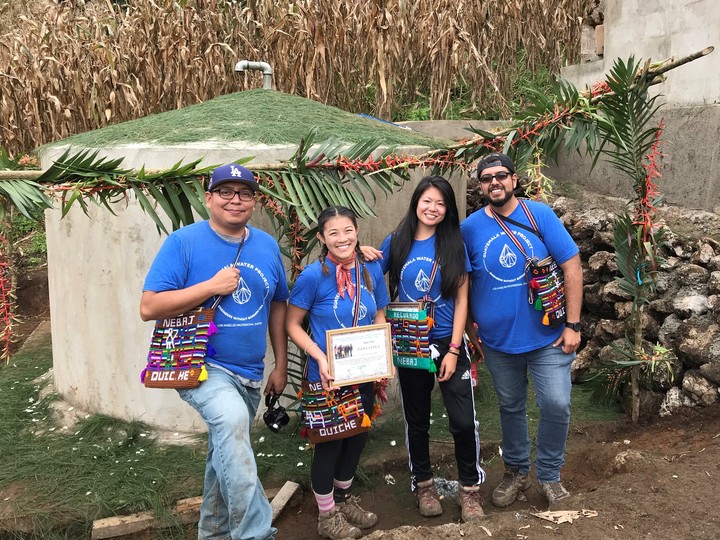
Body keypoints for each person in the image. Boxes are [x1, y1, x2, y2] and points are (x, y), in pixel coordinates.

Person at [140, 163, 289, 540]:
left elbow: (277, 306)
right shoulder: (183, 242)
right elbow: (149, 307)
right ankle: (257, 534)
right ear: (208, 198)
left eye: (244, 193)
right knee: (232, 421)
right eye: (225, 192)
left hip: (251, 371)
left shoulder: (267, 246)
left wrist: (281, 364)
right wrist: (211, 286)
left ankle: (213, 532)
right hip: (199, 365)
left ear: (255, 202)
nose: (235, 200)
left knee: (224, 449)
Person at [461, 153, 583, 510]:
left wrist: (573, 324)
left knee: (556, 404)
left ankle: (549, 475)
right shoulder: (469, 228)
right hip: (498, 343)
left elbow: (571, 265)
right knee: (510, 406)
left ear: (514, 180)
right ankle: (516, 471)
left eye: (501, 175)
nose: (494, 182)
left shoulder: (538, 215)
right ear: (481, 185)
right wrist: (470, 333)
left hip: (549, 337)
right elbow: (462, 284)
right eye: (486, 178)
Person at [378, 175, 486, 521]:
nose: (433, 208)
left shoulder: (454, 245)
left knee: (462, 420)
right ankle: (424, 484)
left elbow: (462, 299)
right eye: (427, 201)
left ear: (448, 209)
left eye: (441, 203)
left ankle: (470, 490)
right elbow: (368, 278)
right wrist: (361, 252)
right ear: (416, 203)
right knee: (417, 419)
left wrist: (455, 350)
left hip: (446, 341)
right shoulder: (395, 243)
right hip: (410, 341)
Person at [286, 206, 390, 540]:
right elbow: (292, 324)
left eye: (347, 230)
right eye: (333, 233)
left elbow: (379, 314)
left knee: (358, 436)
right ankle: (327, 515)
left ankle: (343, 499)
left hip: (361, 372)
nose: (342, 238)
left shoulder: (371, 269)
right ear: (321, 238)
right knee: (329, 443)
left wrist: (379, 356)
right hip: (327, 376)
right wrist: (318, 356)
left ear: (357, 232)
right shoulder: (313, 276)